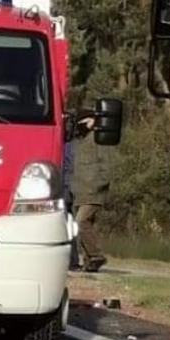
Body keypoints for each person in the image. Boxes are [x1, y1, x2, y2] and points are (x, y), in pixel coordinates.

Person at [66, 115, 106, 273]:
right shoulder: (80, 142)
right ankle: (90, 261)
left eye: (86, 121)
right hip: (80, 192)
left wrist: (99, 186)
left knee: (81, 222)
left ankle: (96, 255)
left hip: (92, 192)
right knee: (85, 225)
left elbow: (107, 167)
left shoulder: (97, 140)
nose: (81, 124)